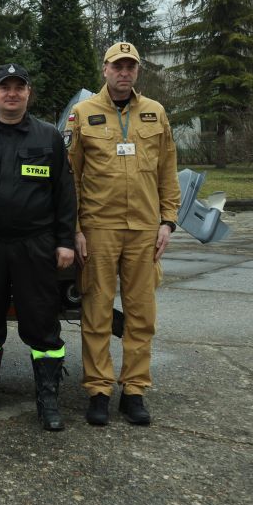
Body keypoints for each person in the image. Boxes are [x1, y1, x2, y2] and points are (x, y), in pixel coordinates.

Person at [0, 64, 78, 431]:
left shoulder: (48, 138)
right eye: (4, 87)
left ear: (29, 93)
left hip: (34, 245)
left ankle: (48, 399)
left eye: (18, 87)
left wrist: (65, 242)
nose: (11, 93)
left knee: (42, 323)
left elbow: (64, 193)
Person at [68, 41, 180, 426]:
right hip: (98, 228)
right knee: (96, 312)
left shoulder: (155, 113)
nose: (124, 73)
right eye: (117, 66)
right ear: (105, 70)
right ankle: (98, 389)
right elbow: (71, 177)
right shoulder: (82, 114)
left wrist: (168, 220)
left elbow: (168, 169)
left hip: (145, 230)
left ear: (137, 72)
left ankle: (134, 390)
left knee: (140, 314)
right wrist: (76, 228)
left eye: (130, 67)